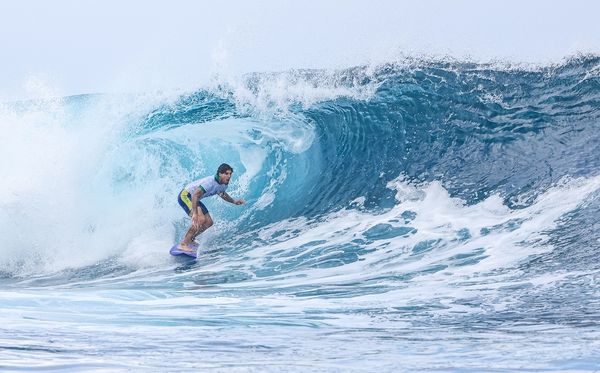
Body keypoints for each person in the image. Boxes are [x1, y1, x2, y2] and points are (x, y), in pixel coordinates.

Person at [177, 163, 245, 252]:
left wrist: (234, 201)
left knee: (209, 222)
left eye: (230, 174)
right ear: (220, 173)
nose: (229, 176)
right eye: (226, 173)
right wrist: (195, 213)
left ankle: (191, 239)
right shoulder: (210, 182)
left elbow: (222, 194)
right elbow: (195, 195)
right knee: (200, 219)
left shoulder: (224, 184)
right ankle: (183, 244)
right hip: (186, 196)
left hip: (195, 197)